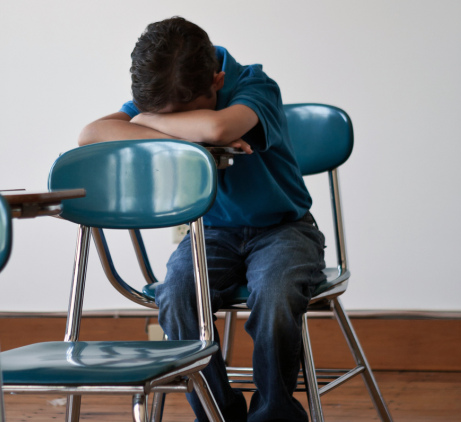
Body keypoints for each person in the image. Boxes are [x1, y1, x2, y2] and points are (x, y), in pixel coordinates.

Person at [78, 16, 327, 422]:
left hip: (284, 229)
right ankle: (216, 411)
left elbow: (216, 125)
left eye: (183, 116)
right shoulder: (168, 91)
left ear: (216, 81)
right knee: (175, 292)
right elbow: (90, 133)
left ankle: (274, 413)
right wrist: (173, 125)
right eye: (160, 115)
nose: (176, 123)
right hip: (211, 232)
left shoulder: (254, 85)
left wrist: (147, 124)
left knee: (276, 291)